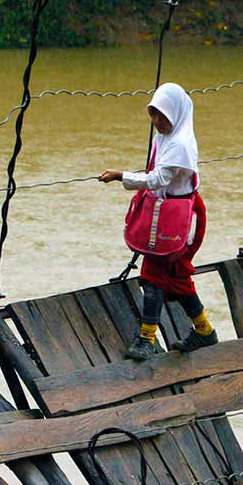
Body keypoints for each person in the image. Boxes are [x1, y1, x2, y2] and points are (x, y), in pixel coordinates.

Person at [99, 83, 217, 361]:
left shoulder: (180, 144)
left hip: (182, 219)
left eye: (163, 116)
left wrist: (120, 175)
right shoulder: (164, 138)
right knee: (175, 274)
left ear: (176, 114)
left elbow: (156, 179)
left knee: (153, 273)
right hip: (168, 215)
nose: (157, 122)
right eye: (153, 115)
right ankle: (204, 331)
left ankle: (147, 338)